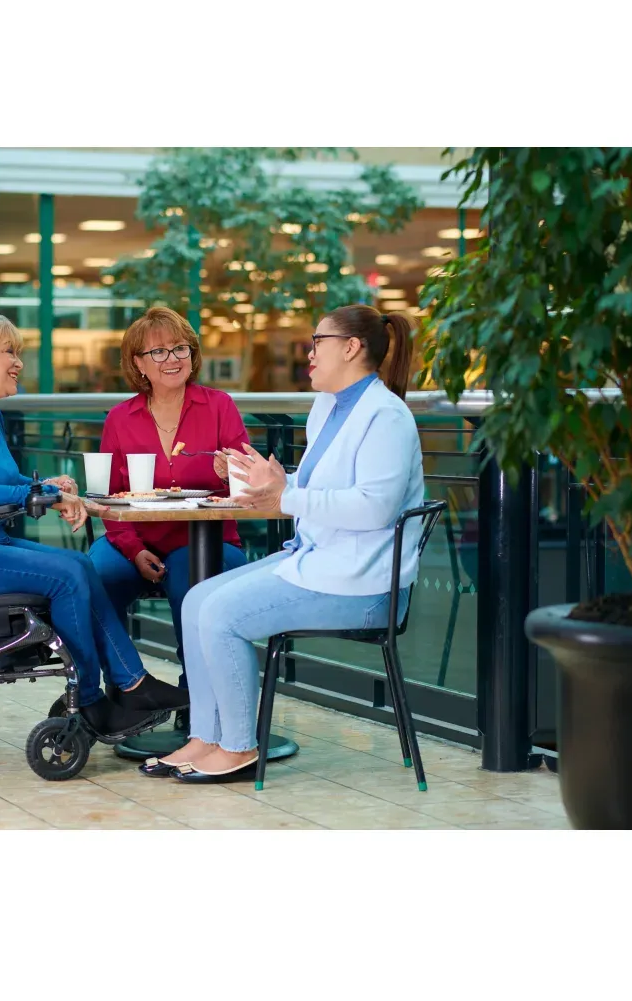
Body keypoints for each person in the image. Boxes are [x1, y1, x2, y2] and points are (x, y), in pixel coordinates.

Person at [144, 306, 424, 782]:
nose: (309, 353)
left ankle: (237, 747)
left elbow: (373, 508)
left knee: (219, 614)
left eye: (318, 342)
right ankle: (205, 737)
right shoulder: (328, 407)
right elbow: (319, 489)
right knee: (195, 601)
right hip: (319, 563)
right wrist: (274, 480)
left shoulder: (387, 417)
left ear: (351, 347)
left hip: (362, 586)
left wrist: (286, 493)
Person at [0, 307, 188, 739]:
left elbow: (1, 484)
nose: (18, 362)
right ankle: (89, 699)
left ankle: (132, 684)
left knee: (81, 565)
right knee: (68, 573)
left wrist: (46, 485)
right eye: (9, 351)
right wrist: (47, 495)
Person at [88, 307, 249, 701]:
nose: (172, 359)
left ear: (193, 355)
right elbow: (108, 497)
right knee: (89, 578)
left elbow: (250, 481)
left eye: (180, 349)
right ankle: (127, 688)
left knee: (188, 578)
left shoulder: (219, 406)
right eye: (157, 352)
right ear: (138, 364)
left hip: (208, 542)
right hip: (134, 540)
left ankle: (196, 694)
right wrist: (134, 549)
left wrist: (233, 473)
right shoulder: (119, 418)